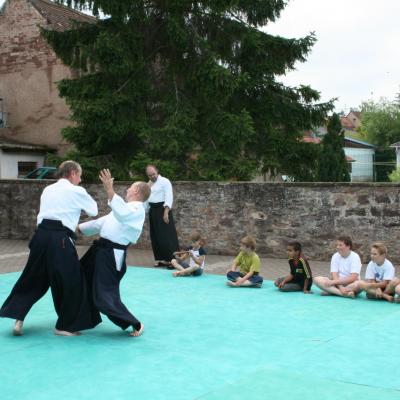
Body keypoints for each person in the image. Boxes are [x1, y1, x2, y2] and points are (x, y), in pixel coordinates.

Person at [0, 160, 99, 336]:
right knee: (71, 281)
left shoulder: (48, 189)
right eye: (80, 176)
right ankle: (64, 326)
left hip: (40, 237)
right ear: (73, 173)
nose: (80, 180)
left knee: (33, 277)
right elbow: (94, 211)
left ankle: (18, 318)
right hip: (59, 239)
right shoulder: (77, 190)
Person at [78, 169, 151, 337]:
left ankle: (134, 323)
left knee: (104, 294)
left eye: (130, 187)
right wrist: (77, 229)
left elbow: (123, 215)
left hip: (111, 255)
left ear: (137, 191)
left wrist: (110, 190)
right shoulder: (122, 209)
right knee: (81, 280)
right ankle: (83, 317)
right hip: (98, 251)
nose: (127, 190)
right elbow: (100, 223)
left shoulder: (137, 209)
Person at [146, 164, 179, 267]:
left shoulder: (165, 181)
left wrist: (166, 212)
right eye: (150, 175)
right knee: (156, 235)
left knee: (167, 236)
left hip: (163, 209)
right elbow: (146, 199)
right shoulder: (148, 184)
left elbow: (169, 196)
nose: (152, 176)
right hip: (153, 210)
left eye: (153, 174)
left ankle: (173, 260)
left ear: (157, 171)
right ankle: (162, 259)